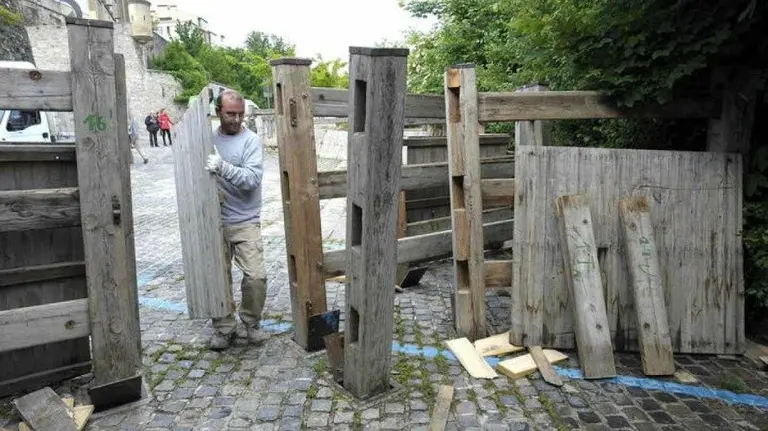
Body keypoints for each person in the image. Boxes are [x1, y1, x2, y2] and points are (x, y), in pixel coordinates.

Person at [204, 89, 268, 350]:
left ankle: (251, 323)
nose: (236, 119)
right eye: (231, 114)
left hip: (245, 220)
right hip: (215, 221)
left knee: (256, 276)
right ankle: (223, 328)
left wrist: (222, 167)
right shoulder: (207, 140)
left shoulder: (250, 140)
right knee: (218, 278)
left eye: (240, 114)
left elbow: (252, 180)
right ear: (218, 112)